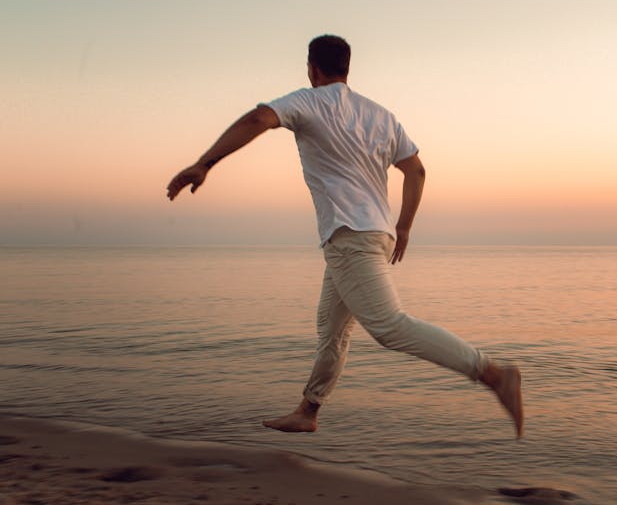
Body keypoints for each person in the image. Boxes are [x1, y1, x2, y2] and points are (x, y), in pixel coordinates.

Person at [167, 35, 524, 437]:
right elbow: (416, 171)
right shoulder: (380, 115)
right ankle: (308, 410)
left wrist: (204, 164)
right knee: (332, 331)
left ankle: (493, 374)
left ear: (312, 67)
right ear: (347, 67)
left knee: (390, 326)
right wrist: (403, 226)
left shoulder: (308, 101)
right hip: (373, 233)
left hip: (349, 235)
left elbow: (256, 119)